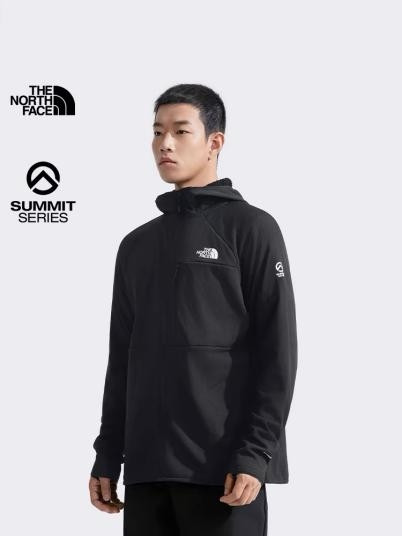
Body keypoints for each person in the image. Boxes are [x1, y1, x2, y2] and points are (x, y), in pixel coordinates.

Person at [88, 83, 298, 535]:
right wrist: (107, 454)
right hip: (147, 472)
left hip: (224, 473)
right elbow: (121, 359)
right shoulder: (136, 245)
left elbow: (278, 352)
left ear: (214, 142)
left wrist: (256, 453)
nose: (165, 143)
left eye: (181, 131)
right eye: (157, 132)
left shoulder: (253, 228)